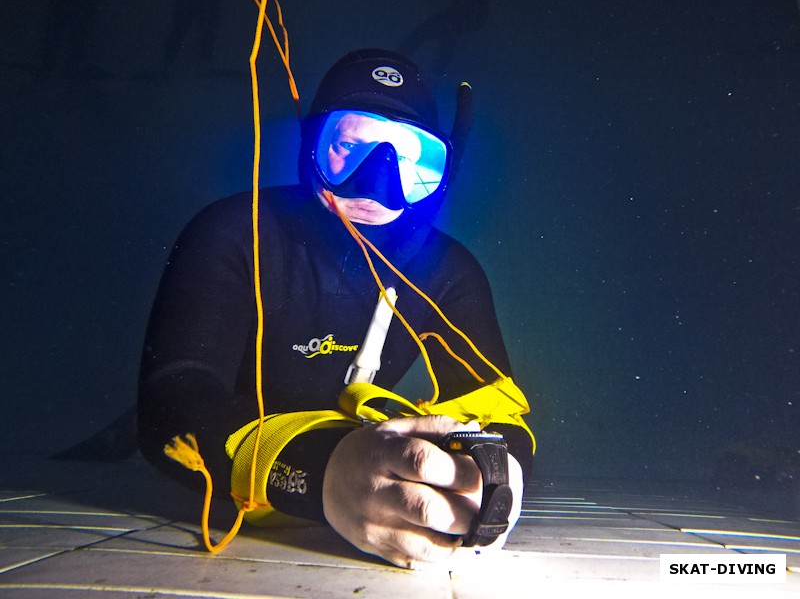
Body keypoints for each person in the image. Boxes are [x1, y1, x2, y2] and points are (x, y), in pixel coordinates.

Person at [137, 48, 534, 569]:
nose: (378, 180)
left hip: (342, 445)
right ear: (311, 145)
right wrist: (321, 475)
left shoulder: (448, 273)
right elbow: (172, 400)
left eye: (411, 157)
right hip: (238, 432)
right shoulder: (233, 233)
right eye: (349, 145)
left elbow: (502, 411)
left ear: (443, 168)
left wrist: (491, 474)